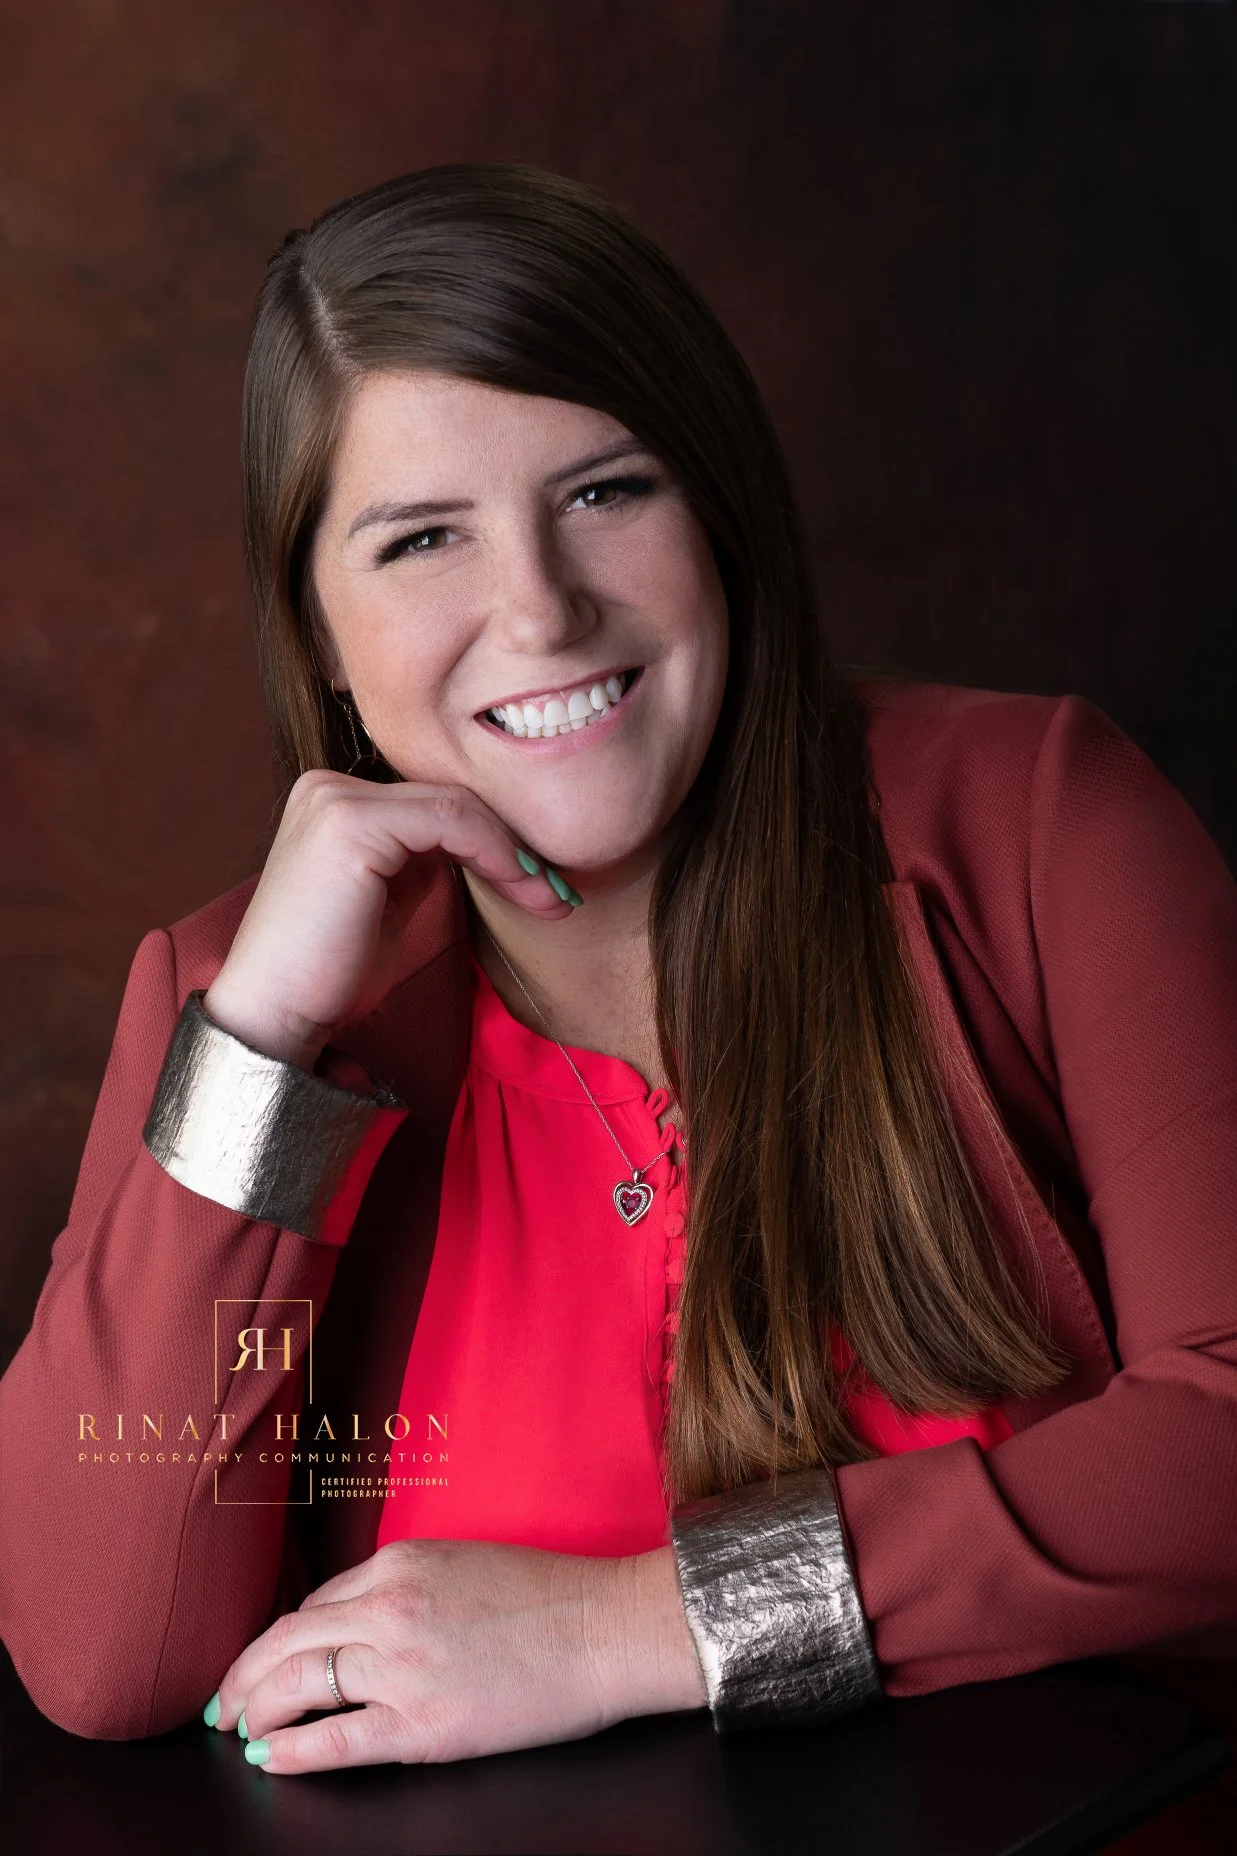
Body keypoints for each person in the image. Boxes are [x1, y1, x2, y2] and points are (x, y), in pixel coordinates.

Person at [1, 166, 1235, 1808]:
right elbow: (105, 1657)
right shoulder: (234, 1002)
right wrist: (264, 1041)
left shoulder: (1035, 822)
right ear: (319, 639)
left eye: (604, 491)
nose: (539, 607)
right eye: (422, 537)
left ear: (718, 511)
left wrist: (628, 1629)